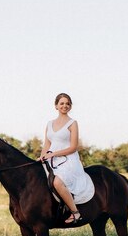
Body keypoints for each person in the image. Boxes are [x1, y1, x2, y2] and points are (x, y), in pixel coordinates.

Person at [39, 93, 93, 224]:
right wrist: (41, 156)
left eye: (67, 103)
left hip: (69, 161)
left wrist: (52, 154)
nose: (65, 106)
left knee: (57, 182)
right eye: (62, 103)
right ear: (56, 106)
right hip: (52, 160)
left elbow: (73, 147)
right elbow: (47, 144)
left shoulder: (72, 123)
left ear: (70, 106)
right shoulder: (49, 124)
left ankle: (75, 212)